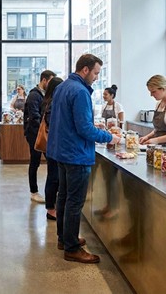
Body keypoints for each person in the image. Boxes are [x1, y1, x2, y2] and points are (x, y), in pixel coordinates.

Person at [47, 54, 121, 264]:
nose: (97, 77)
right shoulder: (80, 91)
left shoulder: (63, 86)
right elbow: (84, 129)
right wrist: (110, 137)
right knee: (74, 202)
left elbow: (69, 121)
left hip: (61, 151)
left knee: (63, 197)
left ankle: (64, 238)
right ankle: (71, 248)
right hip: (76, 154)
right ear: (86, 70)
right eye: (96, 72)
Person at [23, 70, 56, 203]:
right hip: (35, 135)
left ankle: (51, 191)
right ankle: (34, 191)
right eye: (50, 81)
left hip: (44, 134)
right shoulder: (33, 95)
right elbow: (35, 117)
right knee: (35, 162)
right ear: (44, 80)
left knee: (51, 162)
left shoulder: (45, 95)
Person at [41, 77, 63, 221]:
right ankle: (50, 208)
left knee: (53, 176)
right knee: (54, 177)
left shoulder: (48, 101)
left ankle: (51, 206)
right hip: (53, 144)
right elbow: (52, 123)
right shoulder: (52, 102)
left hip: (52, 144)